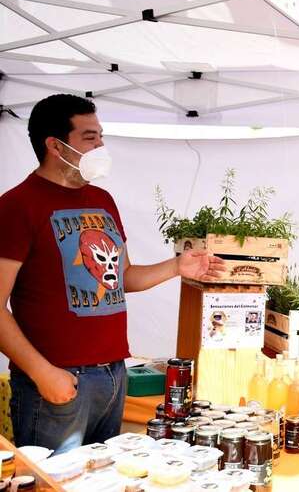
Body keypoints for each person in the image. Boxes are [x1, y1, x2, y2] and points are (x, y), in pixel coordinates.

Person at [0, 94, 225, 454]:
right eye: (90, 138)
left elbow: (122, 277)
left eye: (101, 136)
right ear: (55, 146)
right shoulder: (16, 206)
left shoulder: (102, 200)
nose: (100, 146)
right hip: (57, 378)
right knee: (55, 479)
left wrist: (176, 266)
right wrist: (42, 373)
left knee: (102, 476)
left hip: (114, 374)